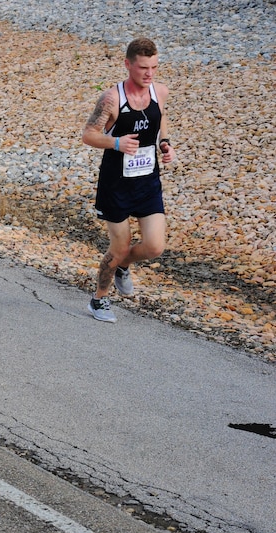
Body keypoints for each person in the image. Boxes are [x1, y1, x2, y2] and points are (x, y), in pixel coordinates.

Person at [81, 37, 176, 323]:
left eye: (154, 67)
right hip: (116, 184)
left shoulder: (160, 92)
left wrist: (166, 143)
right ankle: (98, 300)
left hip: (147, 181)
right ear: (128, 65)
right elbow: (88, 135)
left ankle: (122, 266)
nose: (149, 73)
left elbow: (161, 119)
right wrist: (116, 143)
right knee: (120, 245)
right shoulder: (112, 98)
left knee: (155, 246)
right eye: (143, 68)